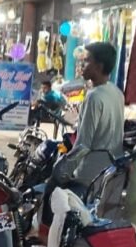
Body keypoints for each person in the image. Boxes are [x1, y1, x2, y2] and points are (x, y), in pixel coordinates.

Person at [41, 42, 124, 226]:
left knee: (51, 190)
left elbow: (83, 145)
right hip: (111, 172)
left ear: (99, 66)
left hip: (90, 176)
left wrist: (61, 170)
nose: (81, 65)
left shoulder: (94, 97)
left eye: (86, 61)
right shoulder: (116, 93)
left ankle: (47, 238)